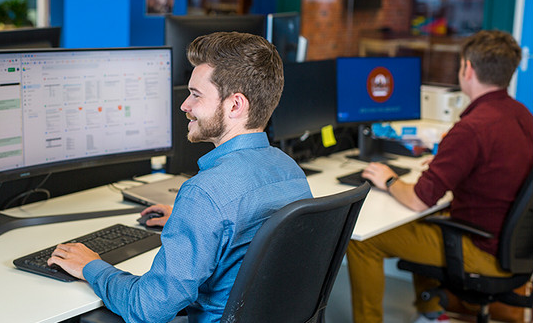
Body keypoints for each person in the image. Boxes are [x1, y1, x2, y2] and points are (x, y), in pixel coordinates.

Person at [48, 32, 313, 322]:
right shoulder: (291, 172)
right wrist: (191, 218)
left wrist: (92, 266)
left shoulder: (205, 194)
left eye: (196, 95)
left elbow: (149, 308)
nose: (184, 106)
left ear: (235, 105)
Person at [347, 29, 532, 323]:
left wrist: (389, 179)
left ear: (467, 68)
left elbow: (420, 199)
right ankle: (431, 313)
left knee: (361, 240)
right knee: (423, 224)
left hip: (482, 251)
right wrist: (449, 162)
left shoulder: (472, 128)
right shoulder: (522, 114)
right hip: (515, 248)